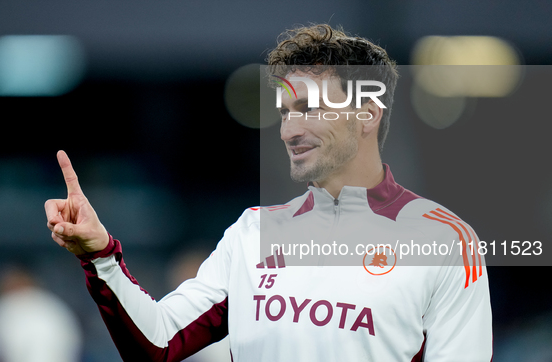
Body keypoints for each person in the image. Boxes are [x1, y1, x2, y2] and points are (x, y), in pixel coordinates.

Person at [44, 24, 492, 361]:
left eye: (309, 108)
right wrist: (101, 254)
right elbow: (158, 342)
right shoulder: (251, 233)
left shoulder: (447, 242)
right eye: (284, 112)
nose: (288, 130)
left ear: (367, 113)